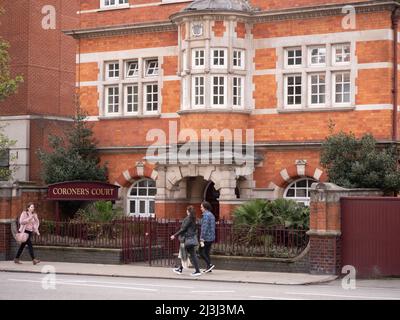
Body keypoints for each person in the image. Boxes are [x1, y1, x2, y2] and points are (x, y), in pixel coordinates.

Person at [170, 206, 201, 277]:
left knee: (189, 254)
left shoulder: (189, 218)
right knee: (184, 253)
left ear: (188, 211)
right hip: (192, 238)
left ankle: (197, 271)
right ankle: (180, 269)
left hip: (187, 239)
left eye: (187, 210)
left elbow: (183, 229)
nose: (186, 211)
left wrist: (174, 235)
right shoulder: (194, 219)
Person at [199, 201, 216, 273]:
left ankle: (210, 264)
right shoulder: (211, 215)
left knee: (201, 252)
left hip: (206, 238)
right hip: (211, 237)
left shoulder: (206, 215)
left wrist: (202, 237)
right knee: (206, 252)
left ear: (205, 208)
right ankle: (209, 268)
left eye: (201, 207)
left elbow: (204, 227)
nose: (200, 208)